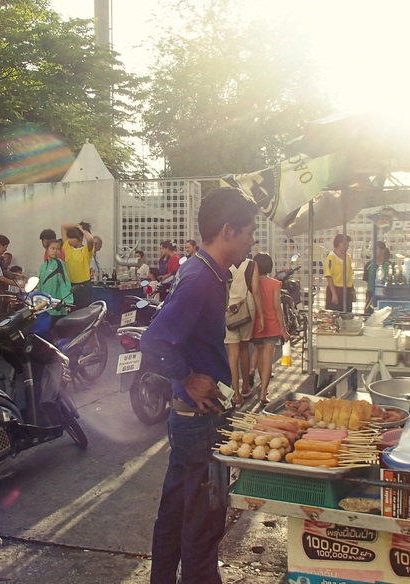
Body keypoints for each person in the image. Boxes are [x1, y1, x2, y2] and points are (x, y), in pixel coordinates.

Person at [141, 187, 258, 584]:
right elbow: (154, 341)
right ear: (228, 230)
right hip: (200, 425)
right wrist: (189, 378)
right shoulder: (200, 279)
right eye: (249, 232)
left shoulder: (203, 270)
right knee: (203, 529)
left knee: (174, 518)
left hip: (191, 422)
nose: (253, 240)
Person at [251, 252, 289, 405]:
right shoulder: (275, 284)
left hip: (257, 325)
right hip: (272, 325)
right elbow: (277, 308)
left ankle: (261, 386)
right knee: (268, 361)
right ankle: (263, 392)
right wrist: (283, 329)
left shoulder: (252, 284)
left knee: (259, 357)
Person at [226, 256, 264, 405]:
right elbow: (255, 290)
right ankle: (245, 387)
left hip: (228, 310)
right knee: (244, 349)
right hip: (247, 311)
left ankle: (235, 395)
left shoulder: (225, 261)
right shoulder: (252, 265)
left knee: (232, 354)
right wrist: (261, 315)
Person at [38, 240, 72, 327]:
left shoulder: (59, 263)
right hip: (45, 307)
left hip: (57, 306)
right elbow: (40, 285)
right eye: (52, 248)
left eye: (58, 249)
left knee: (56, 332)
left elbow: (65, 283)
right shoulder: (43, 266)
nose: (55, 251)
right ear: (46, 249)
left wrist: (68, 302)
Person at [61, 222, 95, 308]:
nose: (69, 240)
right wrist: (78, 225)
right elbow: (63, 226)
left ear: (80, 238)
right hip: (70, 286)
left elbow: (90, 239)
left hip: (84, 286)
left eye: (72, 238)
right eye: (68, 238)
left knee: (84, 311)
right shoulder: (67, 247)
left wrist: (82, 229)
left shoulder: (86, 250)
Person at [324, 233, 353, 312]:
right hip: (336, 289)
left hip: (347, 289)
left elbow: (349, 274)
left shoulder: (348, 257)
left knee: (347, 313)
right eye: (346, 243)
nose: (347, 245)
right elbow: (329, 276)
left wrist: (353, 291)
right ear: (340, 243)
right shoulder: (331, 257)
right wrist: (334, 294)